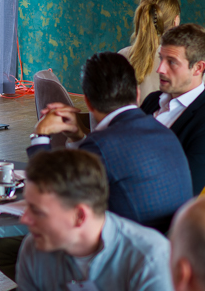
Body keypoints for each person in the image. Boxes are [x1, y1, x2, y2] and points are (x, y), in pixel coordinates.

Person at [8, 148, 190, 291]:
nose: (24, 218)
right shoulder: (34, 251)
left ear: (79, 217)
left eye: (37, 211)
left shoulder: (147, 258)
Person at [32, 52, 194, 230]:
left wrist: (41, 134)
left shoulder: (102, 145)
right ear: (137, 94)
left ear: (88, 101)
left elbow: (49, 198)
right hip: (172, 246)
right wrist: (78, 136)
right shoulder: (165, 132)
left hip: (128, 253)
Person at [139, 24, 205, 193]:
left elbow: (185, 190)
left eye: (172, 62)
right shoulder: (152, 101)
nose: (160, 69)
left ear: (198, 67)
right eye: (161, 59)